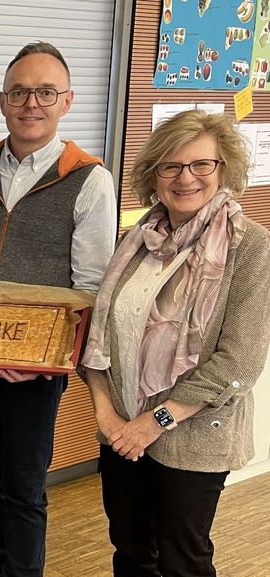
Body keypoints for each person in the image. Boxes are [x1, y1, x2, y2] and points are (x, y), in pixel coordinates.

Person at [0, 41, 117, 577]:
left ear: (66, 101)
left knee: (24, 485)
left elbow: (91, 286)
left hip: (36, 364)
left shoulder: (89, 178)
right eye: (19, 91)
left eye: (45, 91)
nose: (30, 102)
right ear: (2, 100)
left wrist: (43, 356)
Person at [80, 109, 270, 577]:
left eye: (200, 164)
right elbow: (99, 337)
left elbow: (239, 362)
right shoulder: (136, 241)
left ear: (224, 168)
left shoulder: (251, 247)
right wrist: (109, 418)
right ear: (154, 175)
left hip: (192, 437)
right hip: (122, 431)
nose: (186, 178)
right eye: (171, 165)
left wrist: (153, 423)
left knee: (183, 559)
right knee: (130, 550)